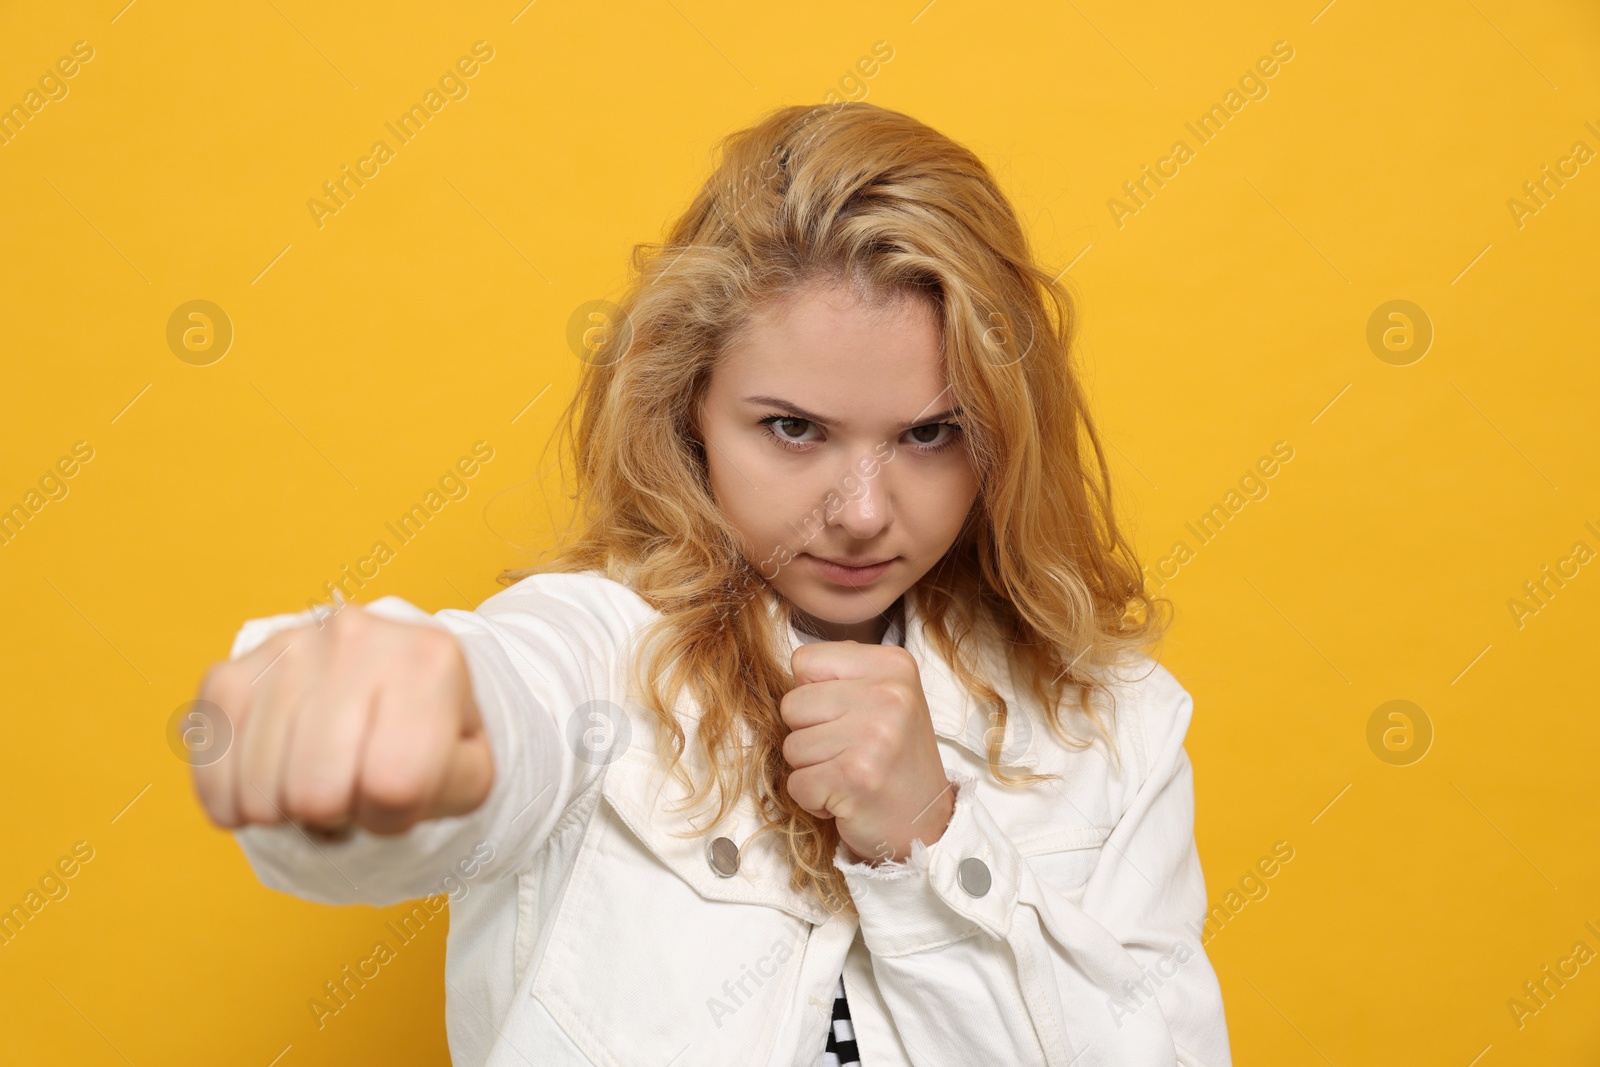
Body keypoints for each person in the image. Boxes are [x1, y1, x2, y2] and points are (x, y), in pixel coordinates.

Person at [189, 100, 1233, 1066]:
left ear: (1003, 435)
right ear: (687, 407)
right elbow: (505, 700)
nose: (863, 509)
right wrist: (377, 728)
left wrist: (929, 839)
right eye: (793, 428)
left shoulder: (1116, 727)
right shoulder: (599, 650)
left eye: (928, 434)